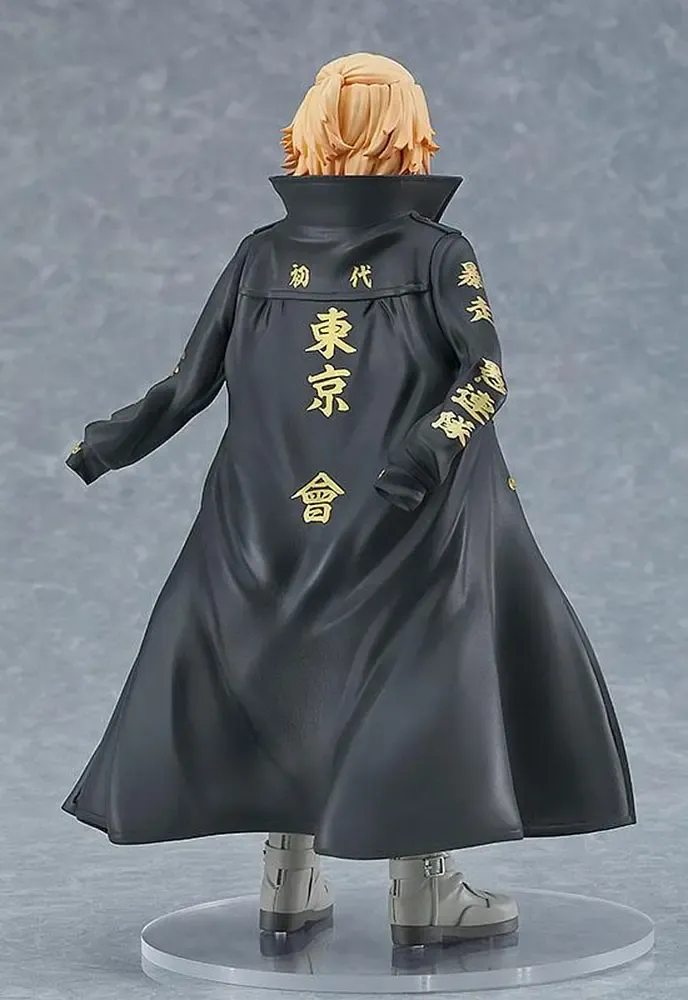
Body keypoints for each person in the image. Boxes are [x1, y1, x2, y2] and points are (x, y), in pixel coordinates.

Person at [63, 52, 635, 948]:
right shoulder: (439, 253)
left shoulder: (261, 254)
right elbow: (485, 376)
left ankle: (287, 878)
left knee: (275, 663)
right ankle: (425, 890)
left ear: (309, 130)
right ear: (412, 132)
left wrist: (105, 444)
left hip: (264, 514)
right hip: (413, 516)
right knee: (423, 672)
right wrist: (420, 461)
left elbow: (186, 382)